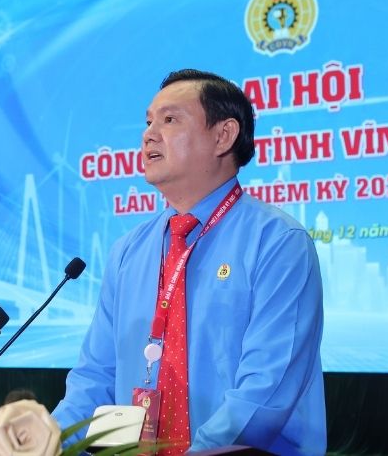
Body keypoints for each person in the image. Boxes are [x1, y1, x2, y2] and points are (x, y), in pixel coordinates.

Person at [52, 69, 325, 455]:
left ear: (223, 136)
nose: (149, 134)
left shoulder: (278, 243)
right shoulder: (128, 252)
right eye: (148, 121)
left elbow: (263, 396)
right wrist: (49, 443)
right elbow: (94, 379)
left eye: (169, 119)